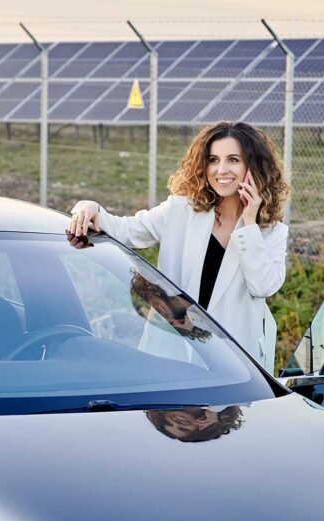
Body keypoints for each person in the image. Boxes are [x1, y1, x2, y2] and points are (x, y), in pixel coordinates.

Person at [68, 121, 289, 373]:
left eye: (233, 160)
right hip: (172, 353)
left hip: (233, 362)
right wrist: (89, 206)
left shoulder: (271, 232)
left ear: (253, 166)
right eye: (213, 160)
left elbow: (264, 286)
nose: (221, 169)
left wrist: (249, 222)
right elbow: (125, 231)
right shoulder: (180, 211)